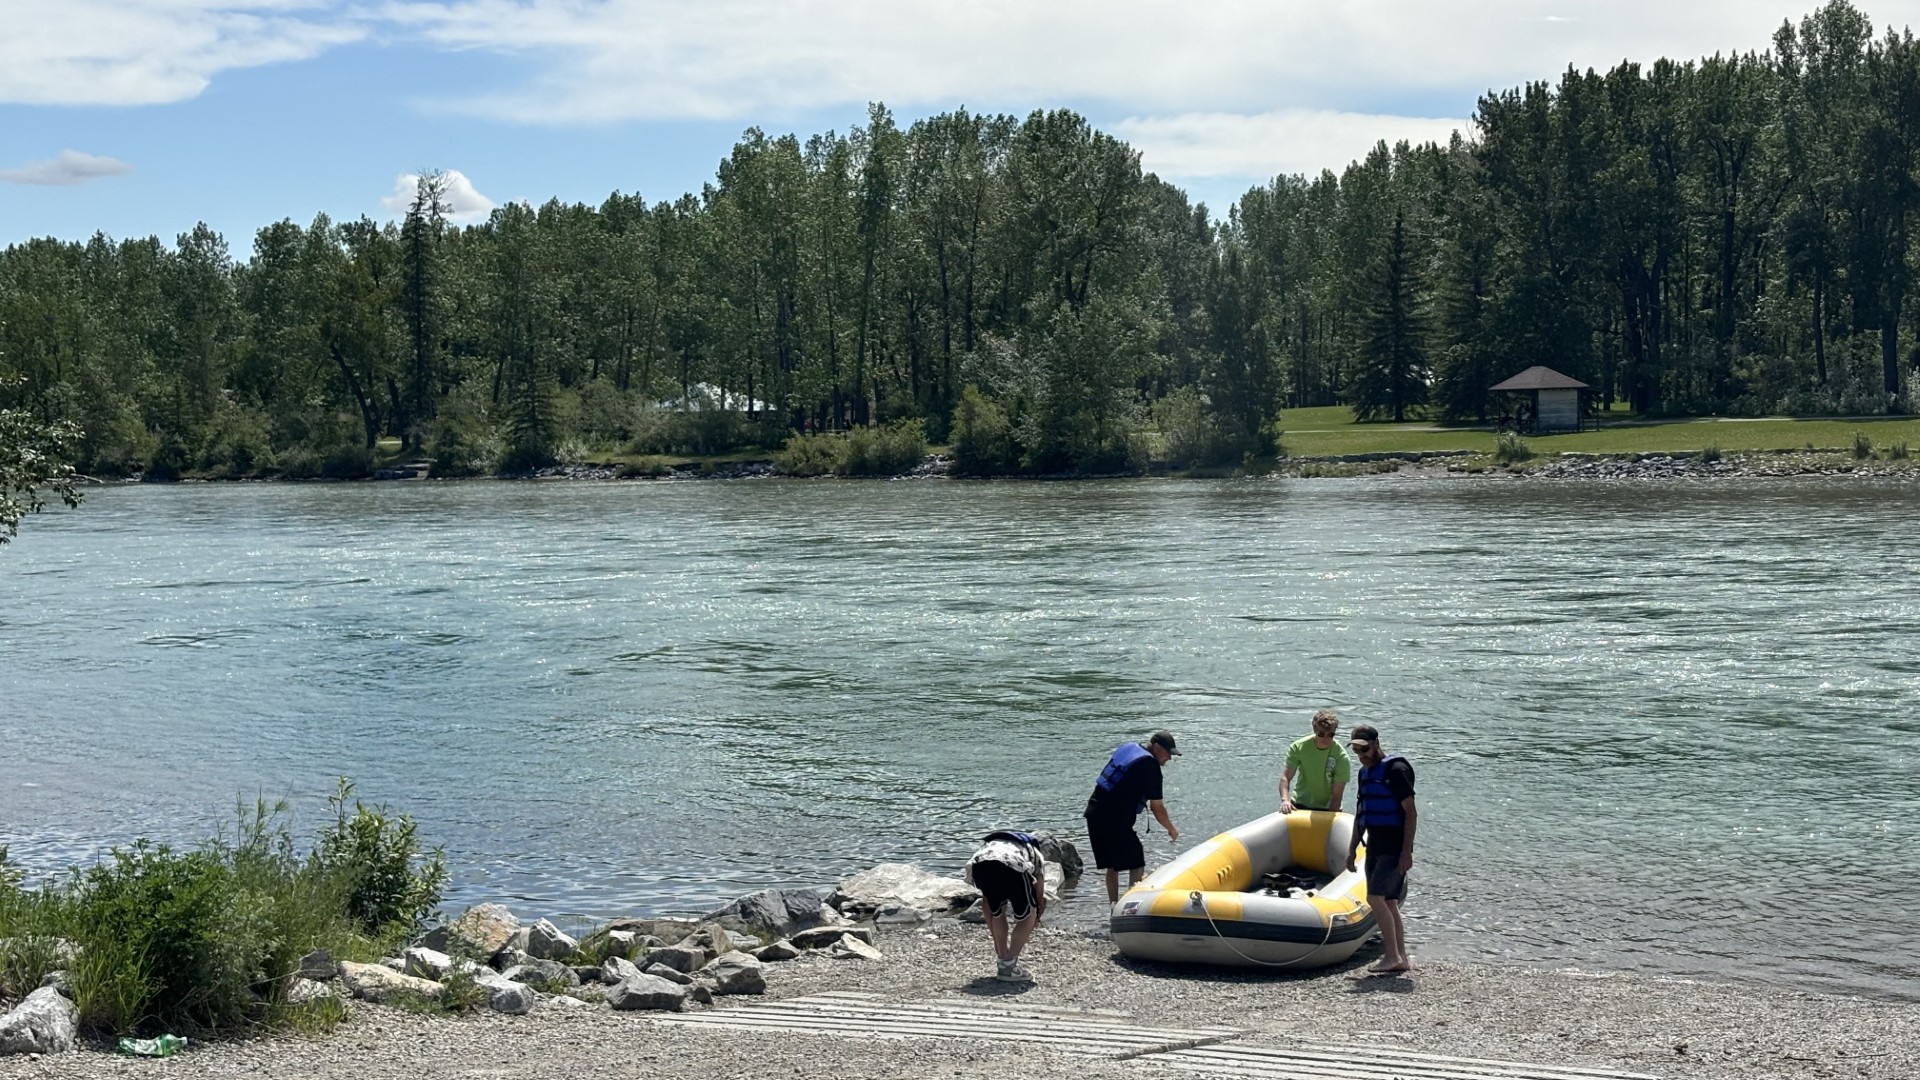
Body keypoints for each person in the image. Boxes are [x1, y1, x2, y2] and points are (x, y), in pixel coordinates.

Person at [1343, 724, 1417, 974]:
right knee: (1389, 901)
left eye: (1364, 749)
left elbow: (1411, 812)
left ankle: (1391, 955)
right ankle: (1401, 958)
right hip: (1374, 842)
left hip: (1394, 844)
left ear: (1375, 744)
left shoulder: (1396, 770)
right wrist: (1352, 849)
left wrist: (1407, 852)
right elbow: (1361, 813)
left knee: (1375, 898)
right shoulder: (1365, 773)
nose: (1361, 755)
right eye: (1356, 751)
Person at [1084, 729, 1181, 904]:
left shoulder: (1131, 749)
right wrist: (1171, 829)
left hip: (1094, 813)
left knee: (1113, 865)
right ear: (1157, 748)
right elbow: (1157, 807)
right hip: (1113, 821)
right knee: (1136, 861)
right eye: (1168, 753)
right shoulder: (1150, 766)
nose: (1169, 758)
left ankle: (1114, 907)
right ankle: (1131, 909)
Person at [963, 829, 1048, 983]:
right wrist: (1038, 913)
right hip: (1012, 865)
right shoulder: (1034, 851)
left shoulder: (991, 844)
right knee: (1029, 914)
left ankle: (1002, 957)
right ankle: (1009, 966)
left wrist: (997, 941)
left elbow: (986, 903)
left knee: (997, 912)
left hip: (980, 864)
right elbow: (1039, 884)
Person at [1280, 708, 1351, 814]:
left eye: (1330, 734)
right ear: (1315, 731)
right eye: (1321, 734)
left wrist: (1329, 817)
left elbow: (1337, 795)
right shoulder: (1299, 747)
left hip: (1329, 807)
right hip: (1300, 803)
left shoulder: (1341, 756)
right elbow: (1285, 777)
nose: (1326, 738)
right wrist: (1285, 800)